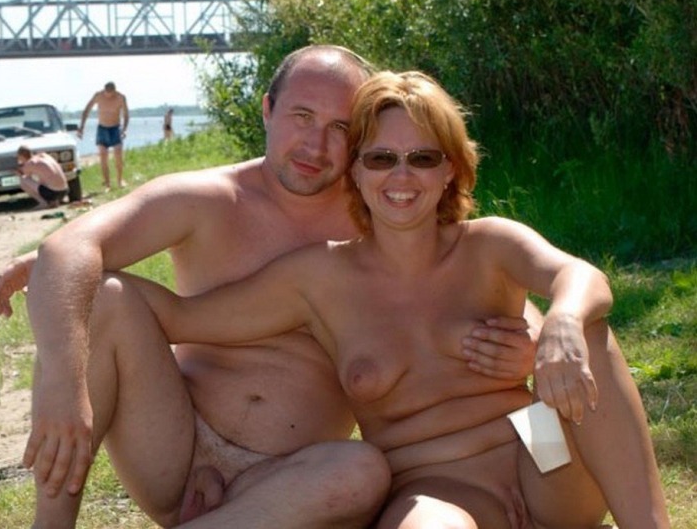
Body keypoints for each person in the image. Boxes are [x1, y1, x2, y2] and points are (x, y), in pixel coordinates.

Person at [0, 46, 536, 529]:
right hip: (174, 448)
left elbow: (485, 286)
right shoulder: (208, 199)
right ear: (268, 110)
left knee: (361, 470)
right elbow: (70, 248)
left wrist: (530, 346)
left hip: (293, 477)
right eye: (301, 115)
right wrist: (65, 382)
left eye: (341, 128)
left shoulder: (382, 213)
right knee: (104, 295)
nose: (316, 144)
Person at [133, 70, 670, 529]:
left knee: (590, 332)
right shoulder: (318, 275)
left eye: (422, 157)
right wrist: (78, 272)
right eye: (381, 157)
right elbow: (182, 318)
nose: (401, 176)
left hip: (540, 454)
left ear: (450, 169)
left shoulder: (489, 243)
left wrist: (563, 322)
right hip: (433, 486)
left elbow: (582, 277)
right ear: (356, 173)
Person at [78, 81, 129, 189]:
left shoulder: (121, 97)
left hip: (115, 128)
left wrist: (124, 129)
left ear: (115, 91)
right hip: (102, 128)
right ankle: (107, 184)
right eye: (107, 94)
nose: (109, 96)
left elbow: (126, 115)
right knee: (103, 155)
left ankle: (120, 180)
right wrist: (82, 127)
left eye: (111, 94)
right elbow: (86, 110)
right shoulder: (98, 96)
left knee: (118, 155)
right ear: (104, 91)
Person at [17, 146, 69, 210]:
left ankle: (43, 203)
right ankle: (53, 201)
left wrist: (17, 170)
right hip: (65, 190)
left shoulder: (30, 163)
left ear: (21, 156)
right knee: (44, 177)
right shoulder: (44, 155)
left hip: (53, 193)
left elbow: (22, 173)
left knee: (23, 180)